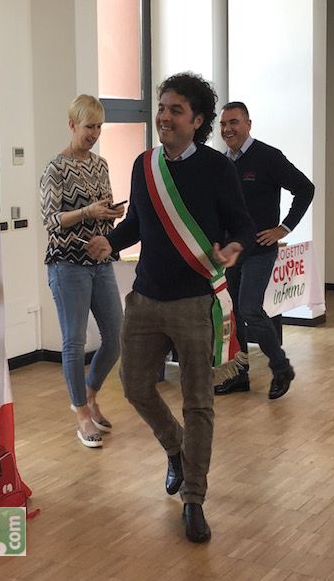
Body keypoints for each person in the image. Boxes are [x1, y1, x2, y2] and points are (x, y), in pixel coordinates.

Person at [86, 73, 254, 543]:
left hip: (194, 303)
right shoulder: (145, 166)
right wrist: (111, 241)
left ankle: (194, 499)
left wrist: (235, 246)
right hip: (144, 300)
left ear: (197, 121)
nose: (163, 116)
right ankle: (175, 447)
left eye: (175, 110)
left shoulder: (217, 169)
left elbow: (241, 224)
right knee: (135, 386)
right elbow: (138, 224)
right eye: (161, 107)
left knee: (198, 402)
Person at [39, 94, 125, 449]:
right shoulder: (55, 169)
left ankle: (89, 393)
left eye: (99, 127)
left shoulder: (101, 165)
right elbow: (51, 220)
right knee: (74, 342)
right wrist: (88, 212)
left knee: (115, 336)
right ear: (72, 125)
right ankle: (81, 413)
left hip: (99, 262)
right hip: (67, 264)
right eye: (90, 126)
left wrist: (111, 213)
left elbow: (103, 208)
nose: (95, 133)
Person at [214, 101, 315, 399]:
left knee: (249, 309)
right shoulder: (222, 163)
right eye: (223, 124)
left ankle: (281, 368)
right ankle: (239, 373)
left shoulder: (268, 157)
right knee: (233, 313)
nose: (227, 129)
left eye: (233, 122)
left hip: (260, 250)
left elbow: (305, 188)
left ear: (248, 124)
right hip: (231, 252)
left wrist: (284, 228)